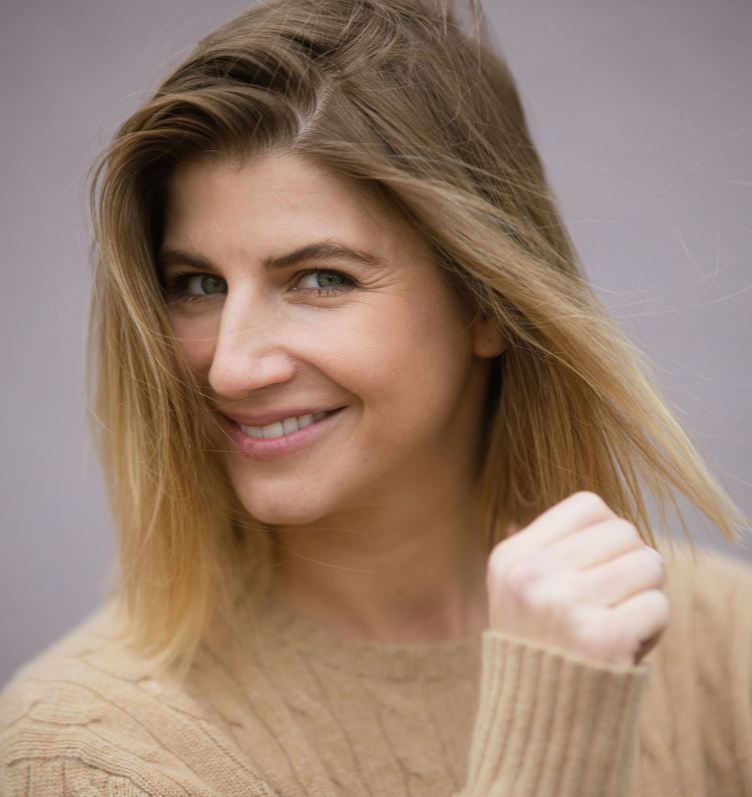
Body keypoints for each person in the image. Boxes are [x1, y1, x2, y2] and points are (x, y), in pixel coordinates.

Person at [1, 0, 750, 794]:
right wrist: (554, 737)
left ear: (486, 301)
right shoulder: (80, 756)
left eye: (321, 278)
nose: (231, 368)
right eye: (199, 284)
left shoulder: (725, 644)